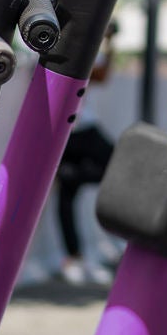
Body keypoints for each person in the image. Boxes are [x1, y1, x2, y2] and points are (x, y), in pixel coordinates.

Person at [54, 25, 117, 285]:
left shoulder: (86, 44)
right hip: (62, 132)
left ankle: (73, 177)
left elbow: (101, 75)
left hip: (84, 127)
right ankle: (73, 258)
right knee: (66, 201)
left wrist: (109, 41)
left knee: (119, 167)